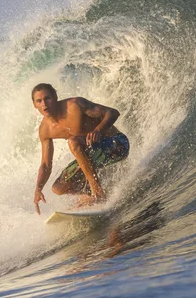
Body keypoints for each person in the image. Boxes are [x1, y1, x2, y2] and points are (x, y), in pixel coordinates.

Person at [31, 83, 129, 214]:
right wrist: (38, 188)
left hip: (117, 145)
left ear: (55, 97)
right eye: (39, 101)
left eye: (47, 98)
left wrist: (98, 131)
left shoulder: (75, 105)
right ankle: (93, 193)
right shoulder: (45, 130)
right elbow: (45, 164)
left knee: (73, 141)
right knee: (58, 188)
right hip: (94, 155)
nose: (44, 104)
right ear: (35, 105)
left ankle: (98, 194)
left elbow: (113, 113)